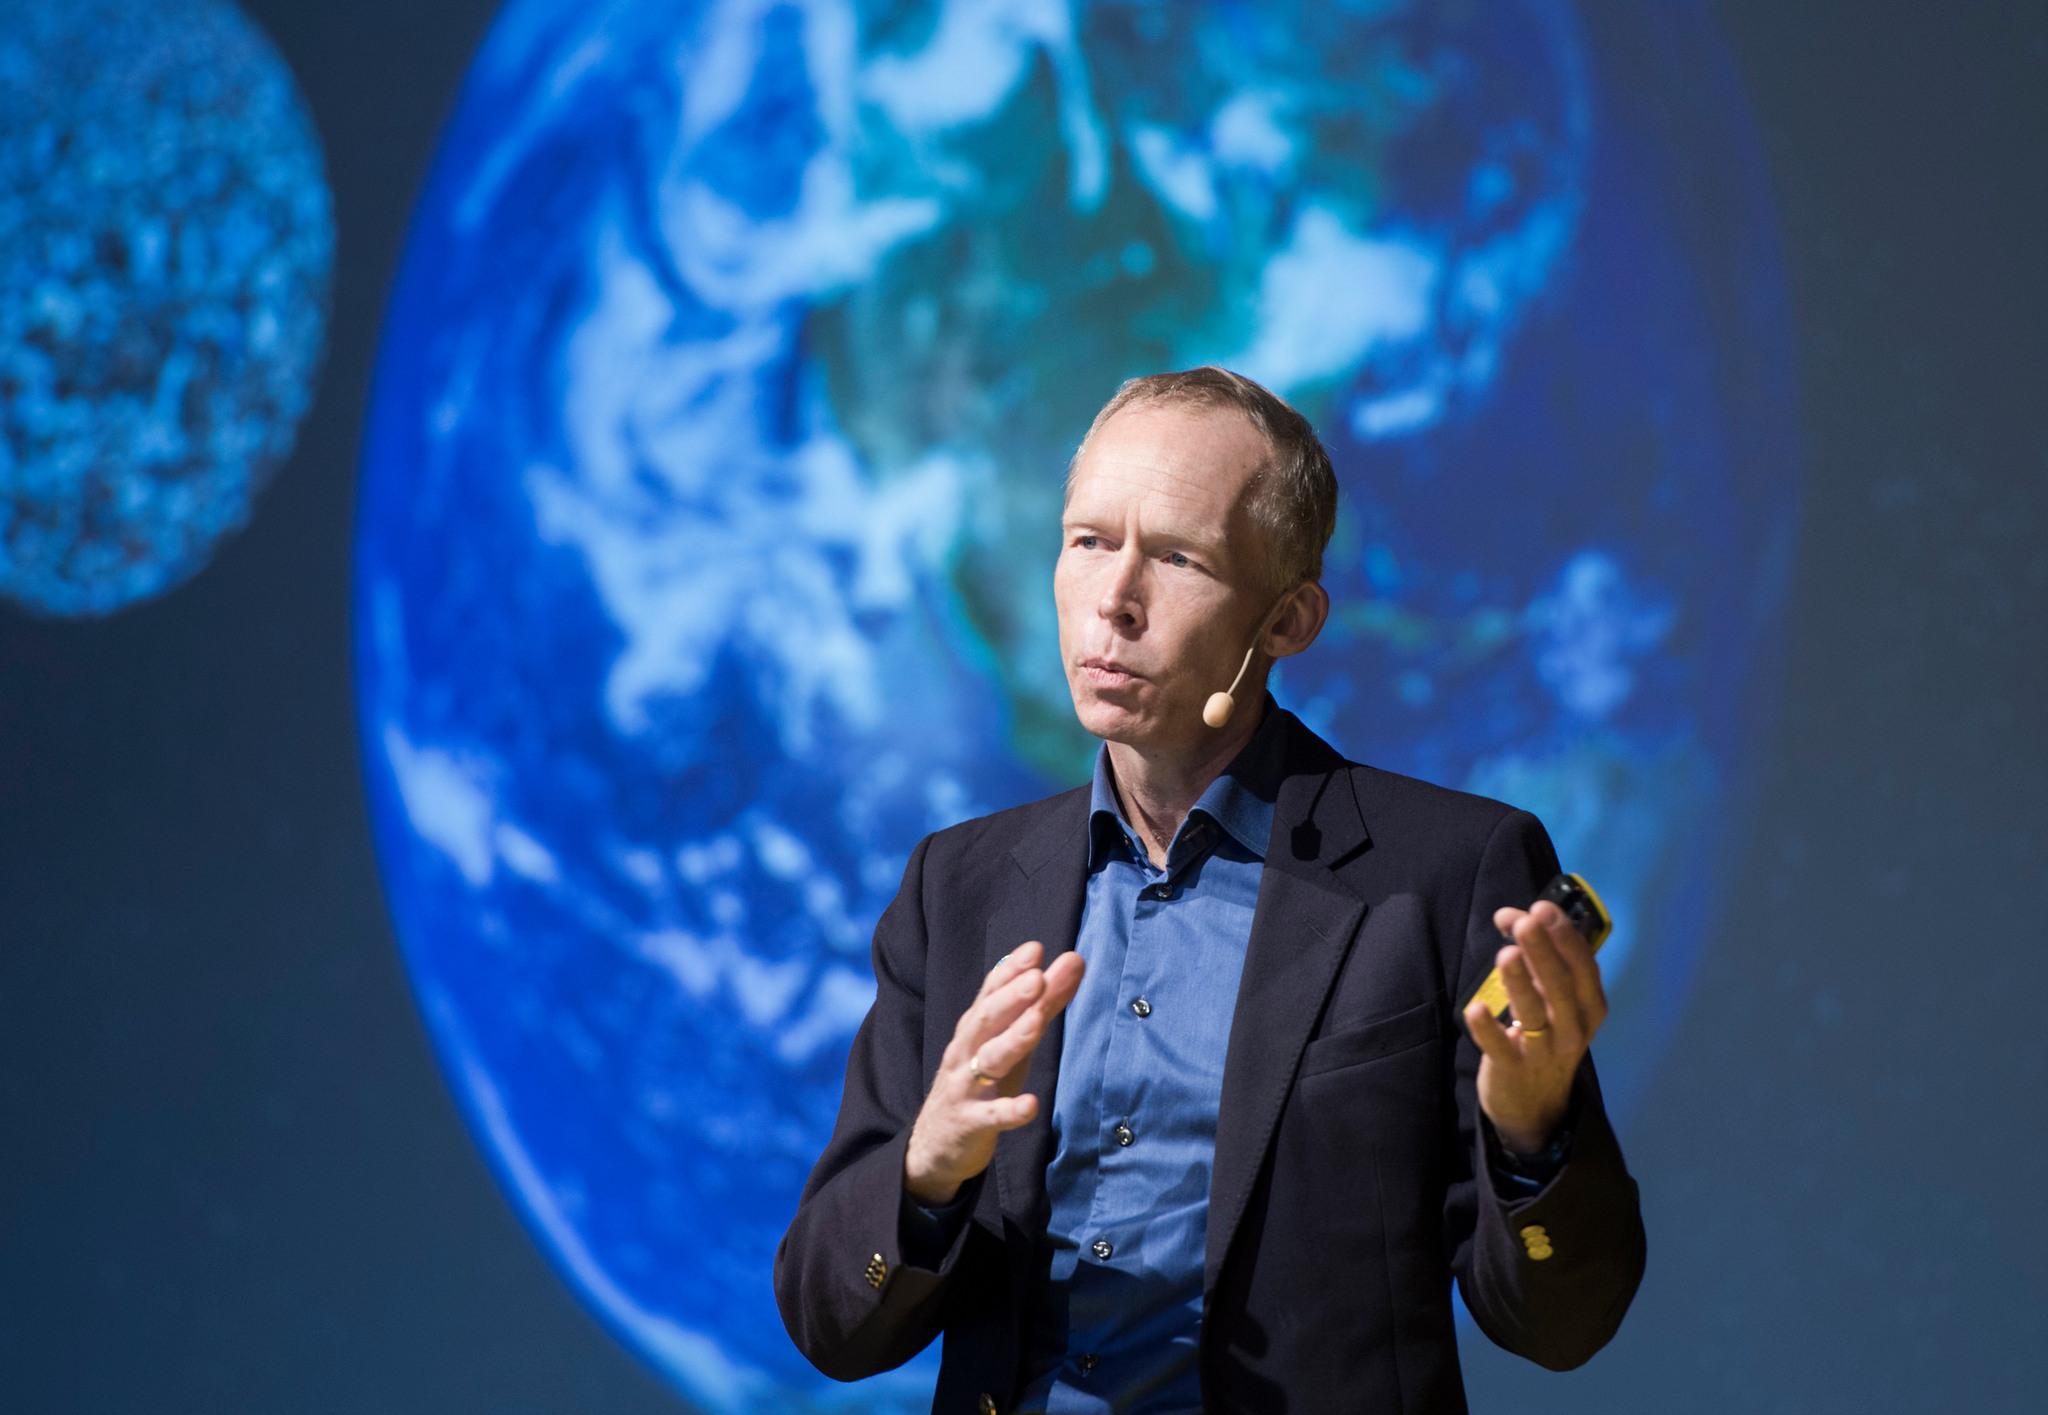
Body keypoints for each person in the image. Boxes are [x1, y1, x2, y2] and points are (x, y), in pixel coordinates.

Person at [775, 367, 1646, 1413]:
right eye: (1088, 541)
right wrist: (924, 1170)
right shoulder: (954, 886)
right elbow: (832, 1320)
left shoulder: (1446, 876)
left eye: (1176, 558)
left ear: (1285, 620)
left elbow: (1561, 1322)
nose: (1113, 599)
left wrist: (1530, 1134)